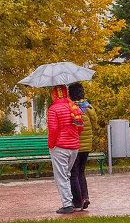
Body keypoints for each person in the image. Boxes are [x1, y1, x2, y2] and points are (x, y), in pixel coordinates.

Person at [47, 84, 83, 214]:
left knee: (61, 177)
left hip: (60, 147)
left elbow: (53, 130)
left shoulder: (53, 109)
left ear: (55, 94)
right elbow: (80, 127)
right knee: (67, 174)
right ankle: (71, 201)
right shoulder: (74, 107)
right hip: (74, 147)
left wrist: (51, 145)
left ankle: (67, 204)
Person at [68, 82, 97, 211]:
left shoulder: (72, 108)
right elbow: (94, 125)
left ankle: (78, 201)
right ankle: (85, 197)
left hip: (76, 144)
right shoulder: (89, 108)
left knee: (74, 172)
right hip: (87, 146)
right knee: (82, 172)